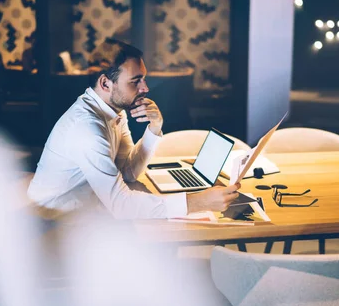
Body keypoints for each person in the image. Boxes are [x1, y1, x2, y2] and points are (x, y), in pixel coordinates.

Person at [27, 38, 240, 219]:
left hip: (86, 210)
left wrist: (155, 128)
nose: (145, 88)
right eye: (135, 81)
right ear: (105, 84)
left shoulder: (115, 110)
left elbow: (128, 173)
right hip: (54, 222)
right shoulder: (86, 128)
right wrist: (197, 202)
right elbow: (121, 205)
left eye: (144, 79)